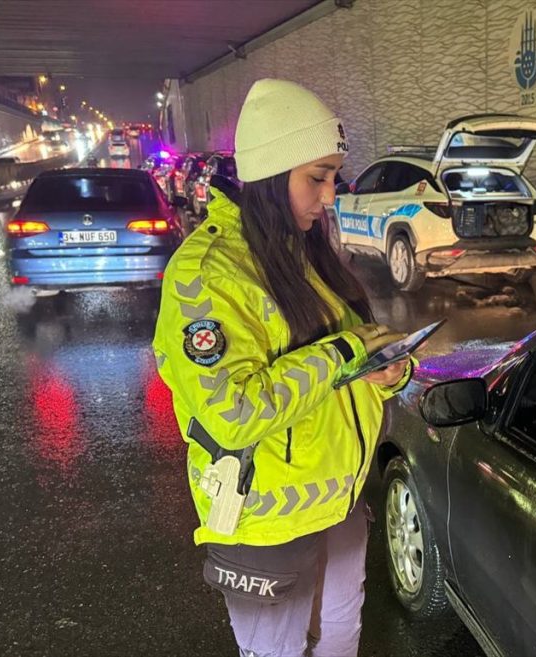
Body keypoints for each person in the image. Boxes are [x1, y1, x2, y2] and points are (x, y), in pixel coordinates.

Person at [152, 78, 413, 657]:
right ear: (271, 174)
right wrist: (346, 356)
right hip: (265, 522)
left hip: (338, 502)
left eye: (334, 177)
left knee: (339, 636)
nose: (329, 196)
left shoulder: (303, 252)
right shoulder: (207, 276)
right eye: (316, 177)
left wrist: (390, 370)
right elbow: (234, 411)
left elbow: (344, 371)